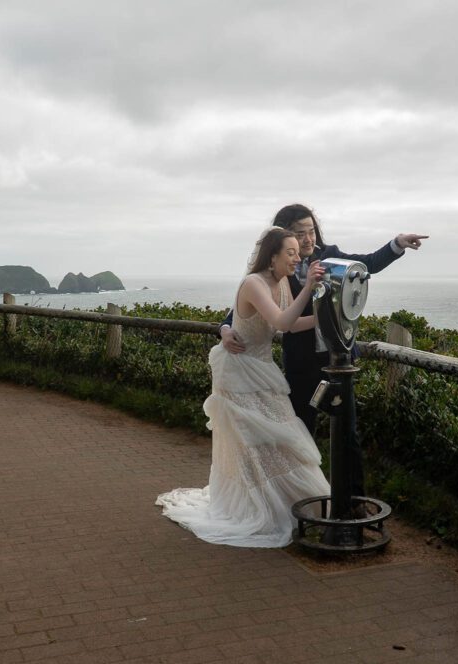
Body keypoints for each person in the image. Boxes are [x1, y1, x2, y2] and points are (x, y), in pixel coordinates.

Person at [220, 204, 427, 501]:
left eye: (311, 230)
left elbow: (367, 263)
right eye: (299, 233)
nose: (307, 239)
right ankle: (299, 500)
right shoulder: (279, 267)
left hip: (338, 359)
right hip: (302, 361)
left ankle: (352, 502)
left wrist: (397, 244)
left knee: (348, 432)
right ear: (283, 239)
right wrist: (225, 329)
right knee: (299, 432)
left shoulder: (329, 255)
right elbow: (247, 304)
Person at [156, 228, 330, 547]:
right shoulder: (254, 282)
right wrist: (307, 287)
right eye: (289, 252)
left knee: (278, 439)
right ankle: (260, 508)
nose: (297, 258)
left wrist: (324, 316)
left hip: (262, 369)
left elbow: (291, 325)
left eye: (297, 252)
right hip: (238, 370)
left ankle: (297, 504)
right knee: (250, 444)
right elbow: (279, 321)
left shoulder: (279, 283)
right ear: (272, 255)